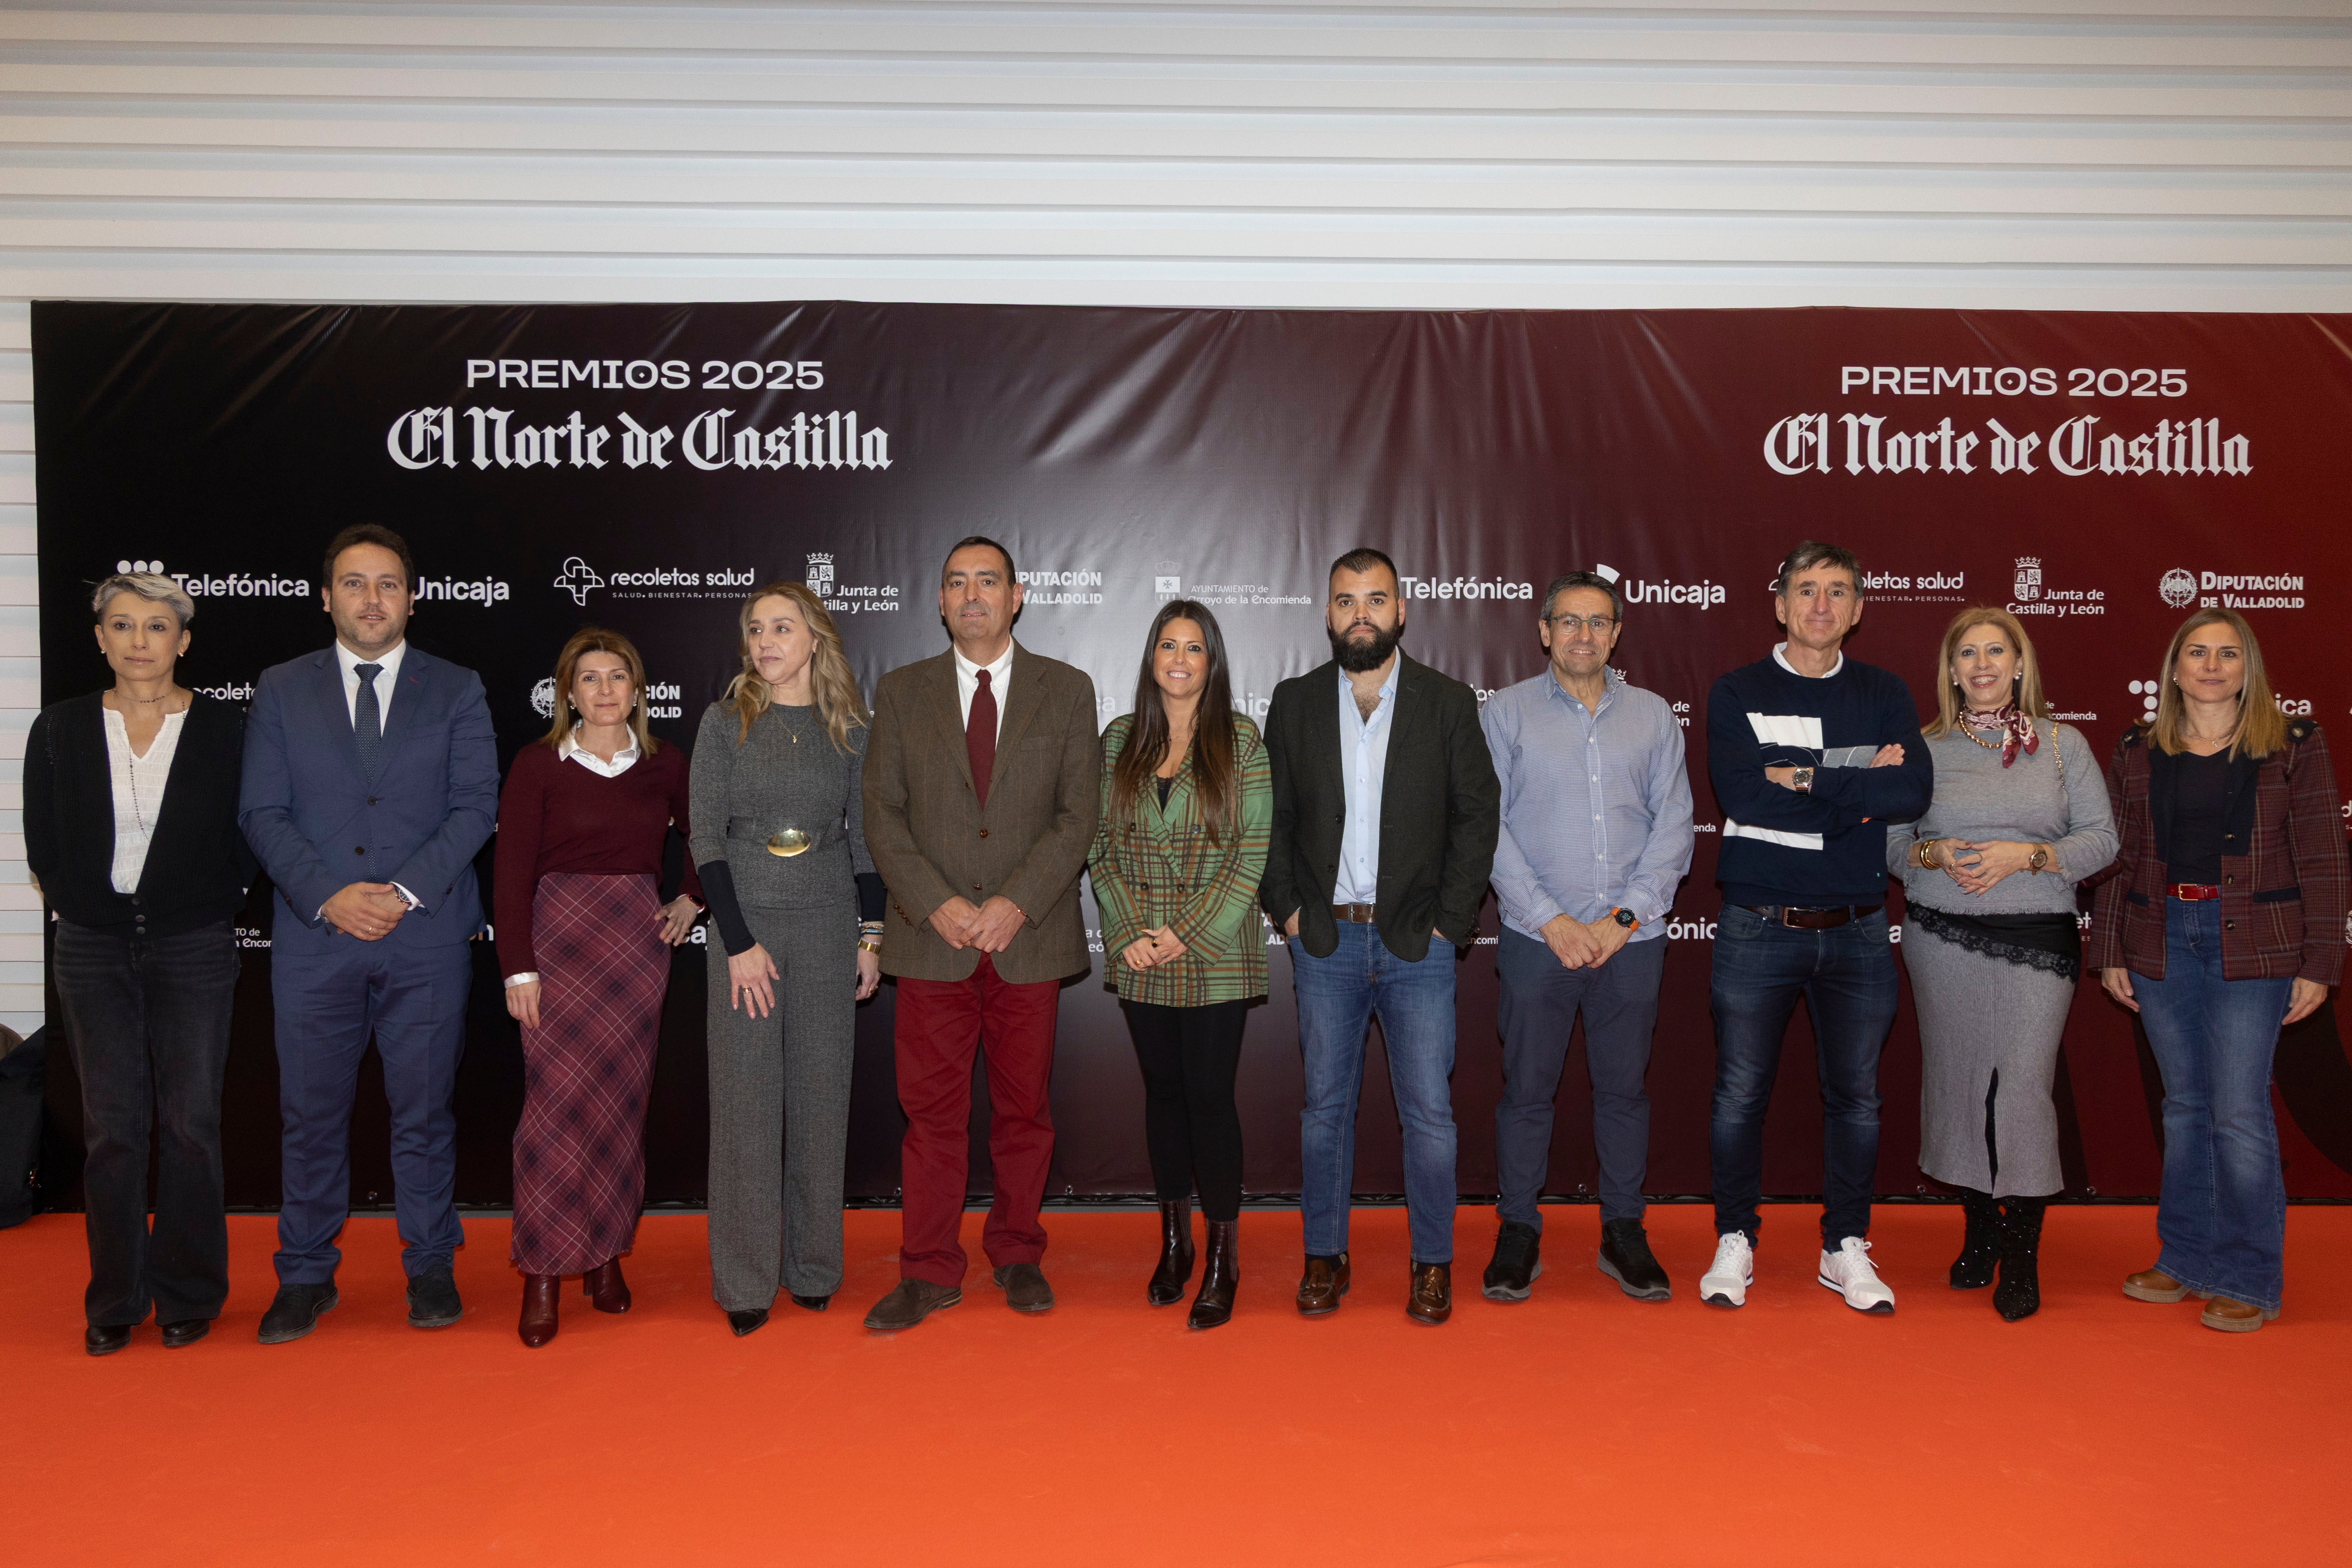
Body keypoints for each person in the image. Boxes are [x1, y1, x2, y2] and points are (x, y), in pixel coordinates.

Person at [238, 524, 498, 1344]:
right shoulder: (282, 688)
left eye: (388, 584)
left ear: (411, 600)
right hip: (317, 939)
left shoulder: (456, 688)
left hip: (426, 938)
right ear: (327, 598)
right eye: (355, 583)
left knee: (423, 1114)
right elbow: (262, 812)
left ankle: (431, 1266)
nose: (372, 598)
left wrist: (405, 892)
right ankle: (305, 1275)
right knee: (310, 1116)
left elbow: (475, 807)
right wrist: (329, 896)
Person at [859, 537, 1101, 1331]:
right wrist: (935, 902)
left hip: (1028, 939)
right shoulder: (901, 692)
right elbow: (882, 815)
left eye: (987, 582)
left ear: (1016, 596)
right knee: (931, 1116)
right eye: (957, 583)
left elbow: (1079, 815)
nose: (972, 596)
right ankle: (929, 1269)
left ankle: (1018, 1253)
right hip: (933, 941)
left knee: (1023, 1111)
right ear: (939, 601)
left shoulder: (1067, 690)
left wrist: (1016, 903)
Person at [1260, 547, 1500, 1327]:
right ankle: (1324, 1255)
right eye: (1345, 601)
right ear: (1328, 615)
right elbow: (1271, 820)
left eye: (1375, 600)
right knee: (1324, 1112)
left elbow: (1476, 816)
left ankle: (1433, 1263)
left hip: (1416, 946)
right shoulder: (1295, 702)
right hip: (1325, 942)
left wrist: (1450, 922)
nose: (1360, 614)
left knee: (1429, 1115)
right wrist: (1290, 914)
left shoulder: (1447, 701)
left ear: (1401, 611)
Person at [2092, 608, 2346, 1333]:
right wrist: (2108, 949)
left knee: (2237, 1111)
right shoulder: (2139, 749)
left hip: (2258, 942)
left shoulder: (2294, 744)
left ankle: (2248, 1277)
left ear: (2248, 668)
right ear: (2174, 669)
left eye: (2228, 653)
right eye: (2197, 652)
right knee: (2185, 1107)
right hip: (2162, 935)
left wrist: (2322, 962)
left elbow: (2324, 856)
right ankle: (2186, 1258)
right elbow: (2117, 855)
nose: (2211, 665)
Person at [1699, 541, 1930, 1315]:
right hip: (1758, 923)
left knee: (1857, 1098)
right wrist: (1856, 790)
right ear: (1780, 604)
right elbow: (1745, 797)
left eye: (1837, 592)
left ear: (1858, 610)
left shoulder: (1884, 690)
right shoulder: (1737, 690)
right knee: (1739, 1095)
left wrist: (1802, 775)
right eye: (1806, 590)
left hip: (1859, 928)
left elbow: (1911, 791)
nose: (1821, 605)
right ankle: (1735, 1236)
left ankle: (1844, 1245)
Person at [28, 572, 254, 1355]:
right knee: (112, 1128)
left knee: (191, 1124)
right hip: (91, 947)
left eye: (157, 627)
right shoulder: (59, 728)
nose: (139, 641)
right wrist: (89, 907)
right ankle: (116, 1298)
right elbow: (44, 843)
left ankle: (189, 1292)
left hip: (193, 944)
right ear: (100, 638)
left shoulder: (225, 729)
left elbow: (249, 832)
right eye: (122, 625)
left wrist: (210, 900)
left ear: (182, 641)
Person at [1886, 608, 2115, 1321]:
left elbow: (2102, 840)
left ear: (2019, 665)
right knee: (1960, 1083)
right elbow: (1892, 846)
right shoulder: (1921, 749)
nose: (1982, 664)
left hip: (2037, 936)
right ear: (1952, 671)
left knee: (2019, 1087)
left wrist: (2030, 856)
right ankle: (1981, 1228)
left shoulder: (2062, 745)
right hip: (1940, 936)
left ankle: (2022, 1249)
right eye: (1968, 653)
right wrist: (1933, 852)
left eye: (1996, 651)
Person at [1479, 571, 1693, 1306]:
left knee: (1625, 1093)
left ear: (1617, 633)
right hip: (1537, 939)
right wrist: (1552, 919)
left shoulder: (1654, 716)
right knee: (1526, 1093)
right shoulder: (1506, 714)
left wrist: (1623, 918)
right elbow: (1487, 827)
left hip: (1631, 940)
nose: (1583, 635)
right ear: (1544, 631)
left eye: (1598, 622)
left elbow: (1675, 827)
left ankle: (1623, 1232)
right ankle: (1517, 1230)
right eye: (1568, 621)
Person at [495, 627, 703, 1347]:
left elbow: (708, 836)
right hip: (557, 941)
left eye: (618, 677)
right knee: (553, 1111)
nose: (606, 689)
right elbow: (511, 871)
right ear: (569, 692)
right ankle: (543, 1271)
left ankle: (607, 1255)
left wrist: (692, 896)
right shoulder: (538, 763)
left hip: (634, 949)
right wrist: (518, 967)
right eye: (590, 678)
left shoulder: (665, 762)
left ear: (638, 691)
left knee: (619, 1106)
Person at [691, 583, 883, 1337]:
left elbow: (865, 842)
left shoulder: (851, 730)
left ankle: (813, 1268)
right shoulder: (723, 722)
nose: (765, 642)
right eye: (755, 630)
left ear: (814, 639)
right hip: (747, 927)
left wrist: (870, 937)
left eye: (781, 628)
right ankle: (744, 1281)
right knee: (745, 1106)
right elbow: (705, 838)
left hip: (829, 924)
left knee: (820, 1099)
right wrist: (738, 943)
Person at [1090, 600, 1272, 1330]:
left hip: (1215, 951)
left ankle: (1225, 1258)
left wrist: (1185, 934)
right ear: (1152, 657)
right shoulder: (1118, 740)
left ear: (1212, 662)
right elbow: (1099, 847)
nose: (1180, 659)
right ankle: (1176, 1242)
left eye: (1194, 648)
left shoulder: (1242, 740)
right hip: (1140, 951)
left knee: (1209, 1098)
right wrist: (1127, 931)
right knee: (1163, 1095)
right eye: (1168, 645)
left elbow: (1250, 854)